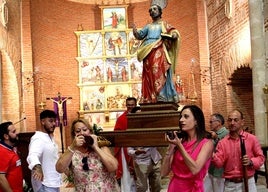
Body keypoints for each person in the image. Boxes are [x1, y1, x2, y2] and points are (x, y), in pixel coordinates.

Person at [132, 4, 180, 103]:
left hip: (159, 48)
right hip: (147, 51)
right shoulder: (148, 26)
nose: (152, 11)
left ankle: (161, 94)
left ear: (159, 11)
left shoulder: (164, 24)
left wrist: (174, 34)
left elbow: (173, 31)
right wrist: (135, 31)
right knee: (149, 73)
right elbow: (140, 35)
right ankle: (150, 96)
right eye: (150, 10)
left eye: (154, 9)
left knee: (158, 69)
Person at [56, 118, 120, 191]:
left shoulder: (101, 147)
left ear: (90, 131)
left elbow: (113, 167)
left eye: (85, 130)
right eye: (78, 131)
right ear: (74, 134)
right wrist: (73, 147)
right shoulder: (72, 151)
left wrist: (95, 147)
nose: (82, 133)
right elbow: (59, 169)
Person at [161, 105, 214, 192]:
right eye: (181, 117)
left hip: (193, 188)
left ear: (196, 121)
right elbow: (163, 173)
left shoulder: (207, 143)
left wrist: (179, 146)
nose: (181, 120)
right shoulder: (181, 141)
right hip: (175, 187)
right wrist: (170, 149)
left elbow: (195, 169)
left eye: (186, 117)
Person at [212, 109, 265, 192]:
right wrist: (212, 155)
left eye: (236, 120)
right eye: (230, 120)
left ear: (242, 122)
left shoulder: (252, 139)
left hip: (248, 182)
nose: (232, 123)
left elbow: (261, 158)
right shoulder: (223, 142)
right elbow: (219, 164)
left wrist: (251, 162)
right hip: (230, 185)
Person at [127, 106, 162, 192]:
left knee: (157, 186)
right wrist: (136, 152)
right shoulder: (131, 131)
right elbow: (129, 150)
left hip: (155, 159)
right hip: (141, 162)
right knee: (142, 188)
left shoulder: (152, 127)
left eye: (142, 115)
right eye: (138, 116)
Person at [27, 110, 62, 192]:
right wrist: (38, 167)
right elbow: (32, 155)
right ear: (42, 121)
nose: (54, 124)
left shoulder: (49, 137)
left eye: (54, 121)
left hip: (52, 182)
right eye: (50, 121)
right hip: (45, 184)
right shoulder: (38, 138)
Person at [114, 97, 137, 192]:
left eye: (132, 105)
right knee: (127, 174)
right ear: (126, 105)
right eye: (128, 105)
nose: (130, 107)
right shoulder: (121, 119)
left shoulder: (141, 116)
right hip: (125, 149)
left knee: (141, 172)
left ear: (136, 105)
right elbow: (116, 134)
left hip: (140, 146)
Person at [204, 113, 229, 192]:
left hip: (219, 171)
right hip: (211, 169)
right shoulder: (213, 133)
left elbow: (225, 149)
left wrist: (216, 138)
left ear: (218, 122)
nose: (210, 124)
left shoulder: (226, 133)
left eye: (211, 122)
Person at [0, 121, 23, 192]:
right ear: (6, 136)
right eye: (14, 132)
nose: (17, 133)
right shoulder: (2, 152)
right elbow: (1, 178)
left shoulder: (11, 148)